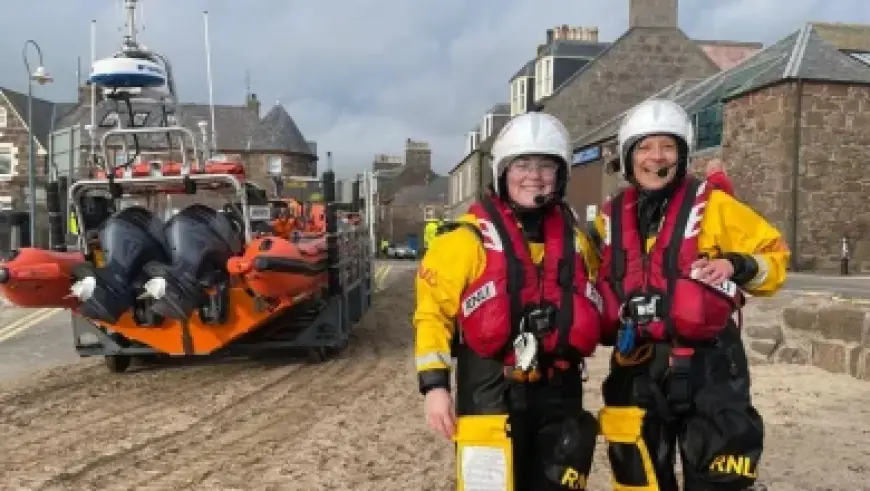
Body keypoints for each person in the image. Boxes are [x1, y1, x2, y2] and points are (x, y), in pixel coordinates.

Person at [592, 99, 790, 491]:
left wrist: (737, 265)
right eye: (645, 148)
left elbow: (776, 257)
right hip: (638, 365)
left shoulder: (716, 207)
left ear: (683, 154)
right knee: (640, 480)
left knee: (720, 479)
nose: (656, 157)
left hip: (711, 365)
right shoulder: (608, 219)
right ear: (629, 157)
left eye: (667, 146)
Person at [414, 112, 603, 490]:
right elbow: (432, 316)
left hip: (559, 394)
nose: (534, 175)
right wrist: (435, 388)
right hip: (488, 392)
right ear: (502, 171)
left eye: (546, 165)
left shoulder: (578, 244)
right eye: (522, 164)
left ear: (561, 175)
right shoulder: (463, 242)